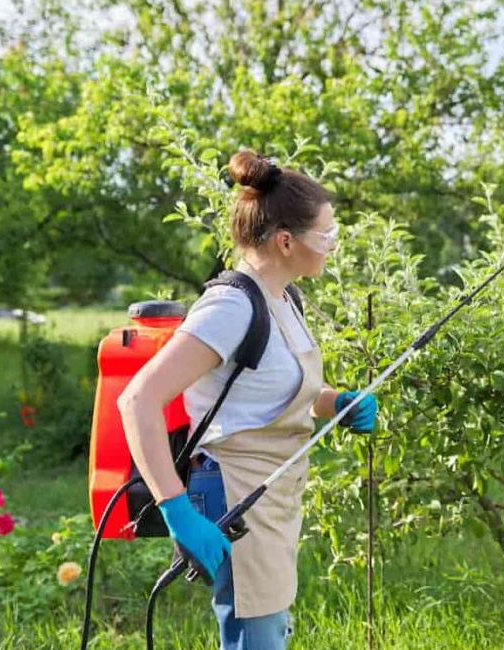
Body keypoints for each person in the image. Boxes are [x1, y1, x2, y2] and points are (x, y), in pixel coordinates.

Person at [118, 150, 377, 649]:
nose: (333, 246)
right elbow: (138, 401)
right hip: (234, 494)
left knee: (267, 632)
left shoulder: (283, 297)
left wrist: (334, 403)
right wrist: (177, 512)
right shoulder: (232, 307)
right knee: (254, 639)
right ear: (285, 241)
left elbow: (269, 391)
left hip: (271, 494)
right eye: (326, 236)